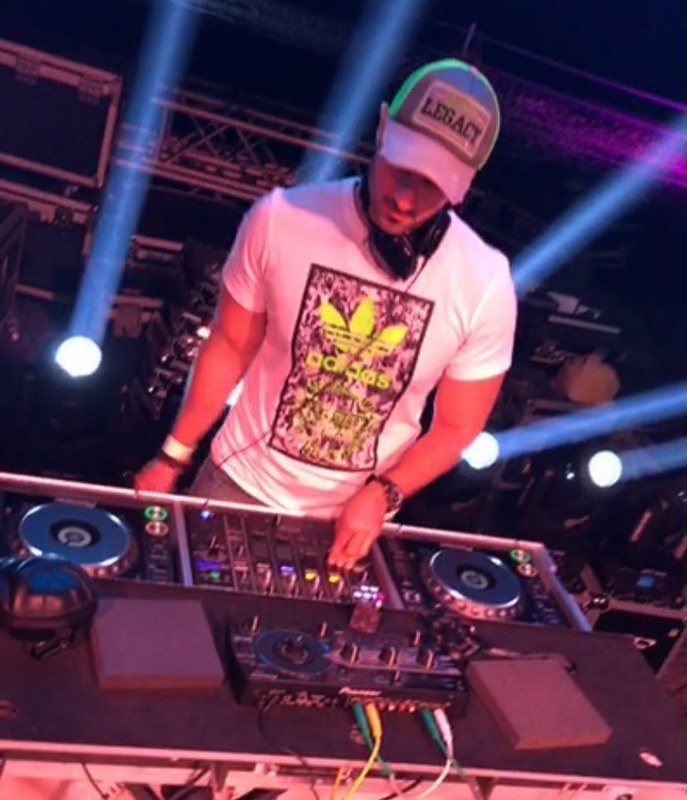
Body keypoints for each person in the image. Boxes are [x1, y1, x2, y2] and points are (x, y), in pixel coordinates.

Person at [135, 57, 518, 571]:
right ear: (381, 128)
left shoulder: (485, 282)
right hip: (237, 483)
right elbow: (229, 344)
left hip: (355, 520)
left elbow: (456, 426)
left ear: (463, 188)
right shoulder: (281, 219)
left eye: (431, 185)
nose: (405, 200)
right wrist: (172, 456)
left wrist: (384, 492)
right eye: (401, 169)